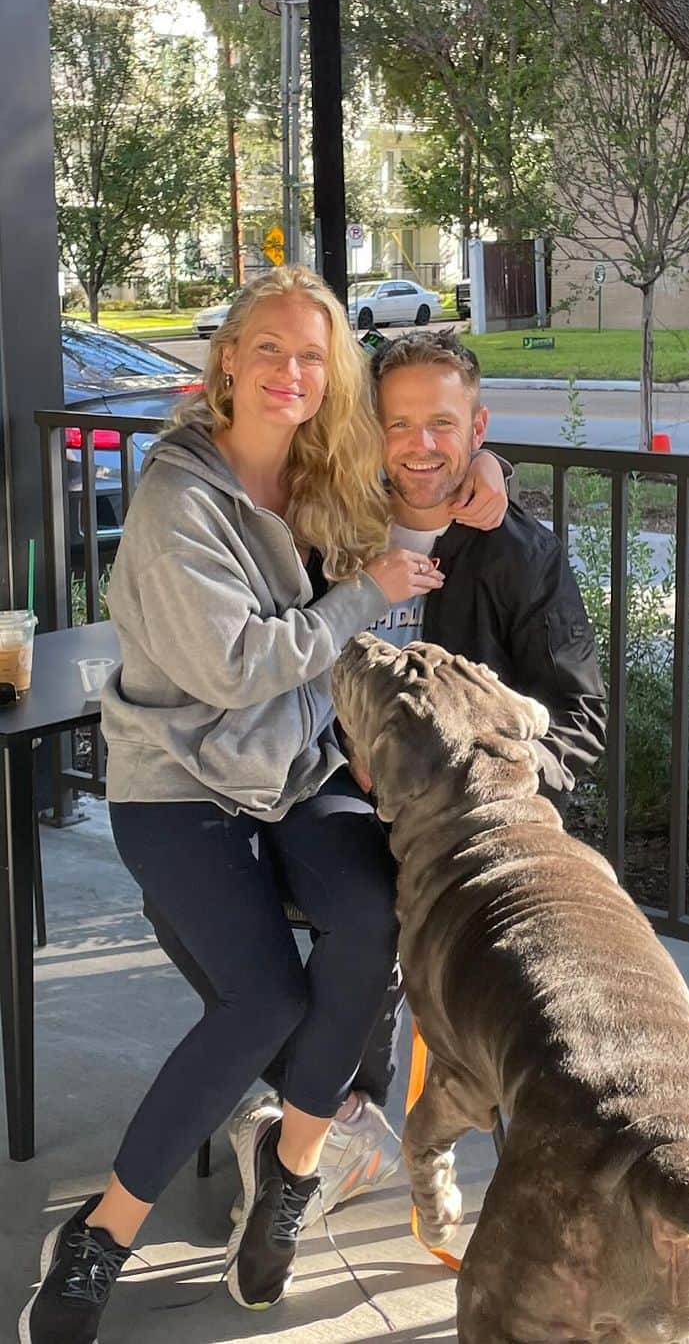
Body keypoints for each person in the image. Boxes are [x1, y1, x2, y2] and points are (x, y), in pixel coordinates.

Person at [19, 270, 509, 1344]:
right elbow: (244, 664)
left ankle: (289, 1173)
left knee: (373, 915)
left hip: (291, 768)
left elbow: (421, 488)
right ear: (227, 360)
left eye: (313, 356)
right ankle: (100, 1238)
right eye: (271, 351)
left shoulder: (321, 469)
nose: (294, 373)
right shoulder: (176, 500)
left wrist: (483, 469)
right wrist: (364, 594)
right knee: (263, 1004)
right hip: (180, 784)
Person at [229, 327, 607, 1223]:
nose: (423, 446)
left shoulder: (521, 556)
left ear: (478, 427)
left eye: (444, 423)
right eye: (400, 424)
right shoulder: (326, 524)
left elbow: (581, 722)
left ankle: (328, 1118)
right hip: (325, 780)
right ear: (373, 428)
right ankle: (328, 1107)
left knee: (447, 927)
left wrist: (484, 790)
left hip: (459, 816)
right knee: (250, 900)